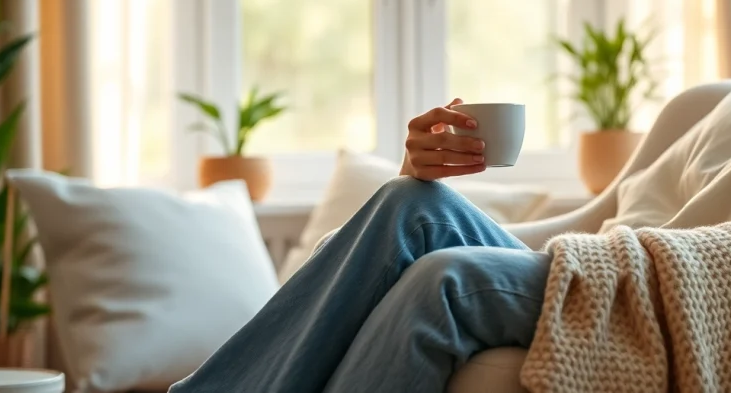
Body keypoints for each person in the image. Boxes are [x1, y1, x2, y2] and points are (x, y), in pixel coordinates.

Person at [169, 99, 554, 393]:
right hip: (582, 262)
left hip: (608, 276)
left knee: (424, 230)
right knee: (394, 210)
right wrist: (416, 174)